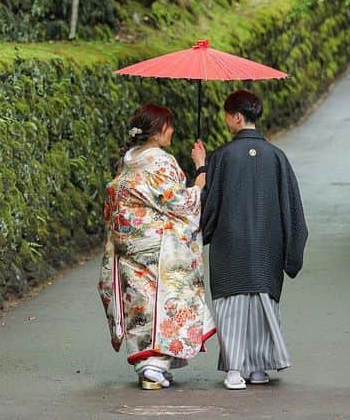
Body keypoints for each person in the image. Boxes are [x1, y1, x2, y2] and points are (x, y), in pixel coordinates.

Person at [195, 90, 308, 390]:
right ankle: (258, 368)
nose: (225, 121)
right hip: (267, 248)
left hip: (230, 246)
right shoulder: (277, 157)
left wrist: (201, 166)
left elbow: (208, 204)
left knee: (231, 306)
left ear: (236, 117)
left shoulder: (222, 157)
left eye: (226, 116)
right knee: (263, 304)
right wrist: (291, 255)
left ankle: (234, 370)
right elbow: (293, 211)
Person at [98, 103, 216, 390]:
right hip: (159, 249)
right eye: (169, 126)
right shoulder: (161, 161)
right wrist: (200, 174)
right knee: (167, 303)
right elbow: (179, 204)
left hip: (129, 246)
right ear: (157, 131)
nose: (173, 130)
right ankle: (153, 366)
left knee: (141, 305)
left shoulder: (128, 160)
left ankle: (147, 366)